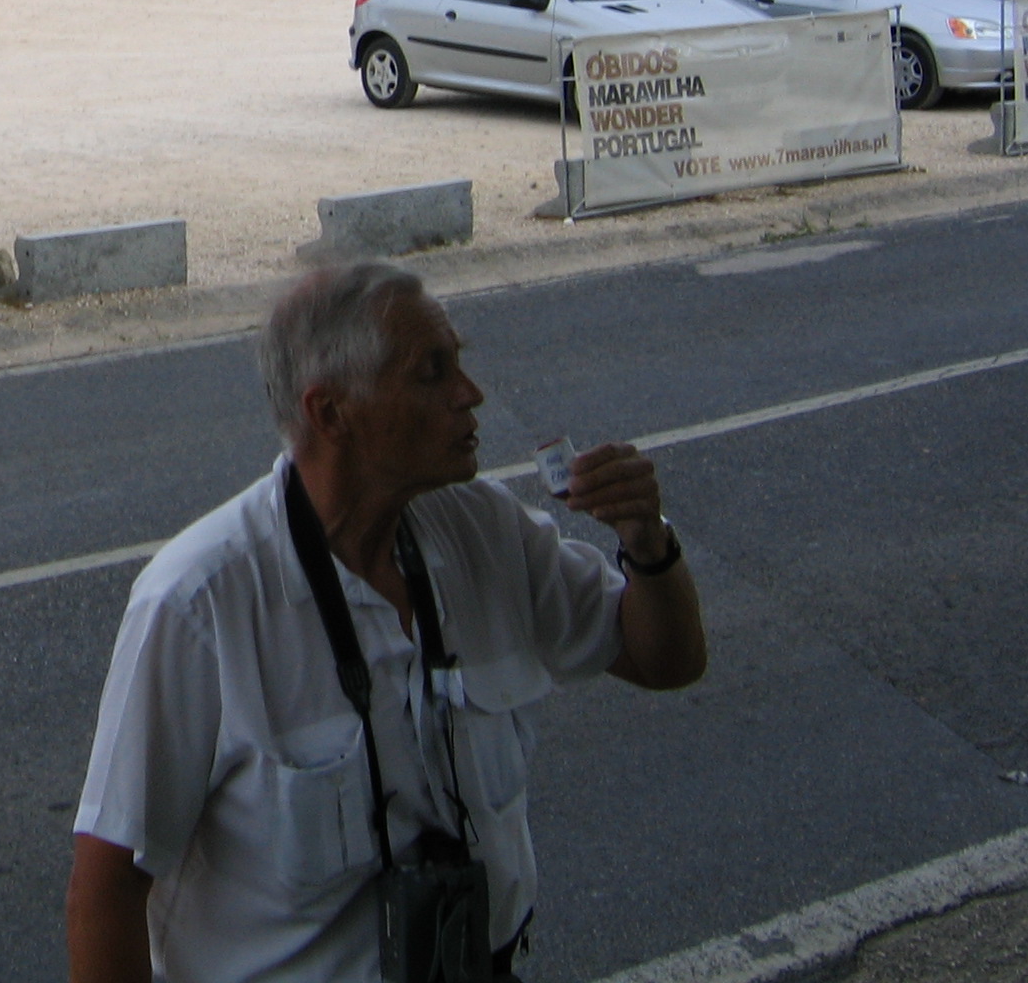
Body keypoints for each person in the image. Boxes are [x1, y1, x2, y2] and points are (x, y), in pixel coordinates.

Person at [67, 262, 707, 982]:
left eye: (458, 363)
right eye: (432, 372)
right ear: (331, 412)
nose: (471, 395)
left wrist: (646, 544)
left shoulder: (486, 531)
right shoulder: (199, 602)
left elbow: (667, 661)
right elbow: (107, 891)